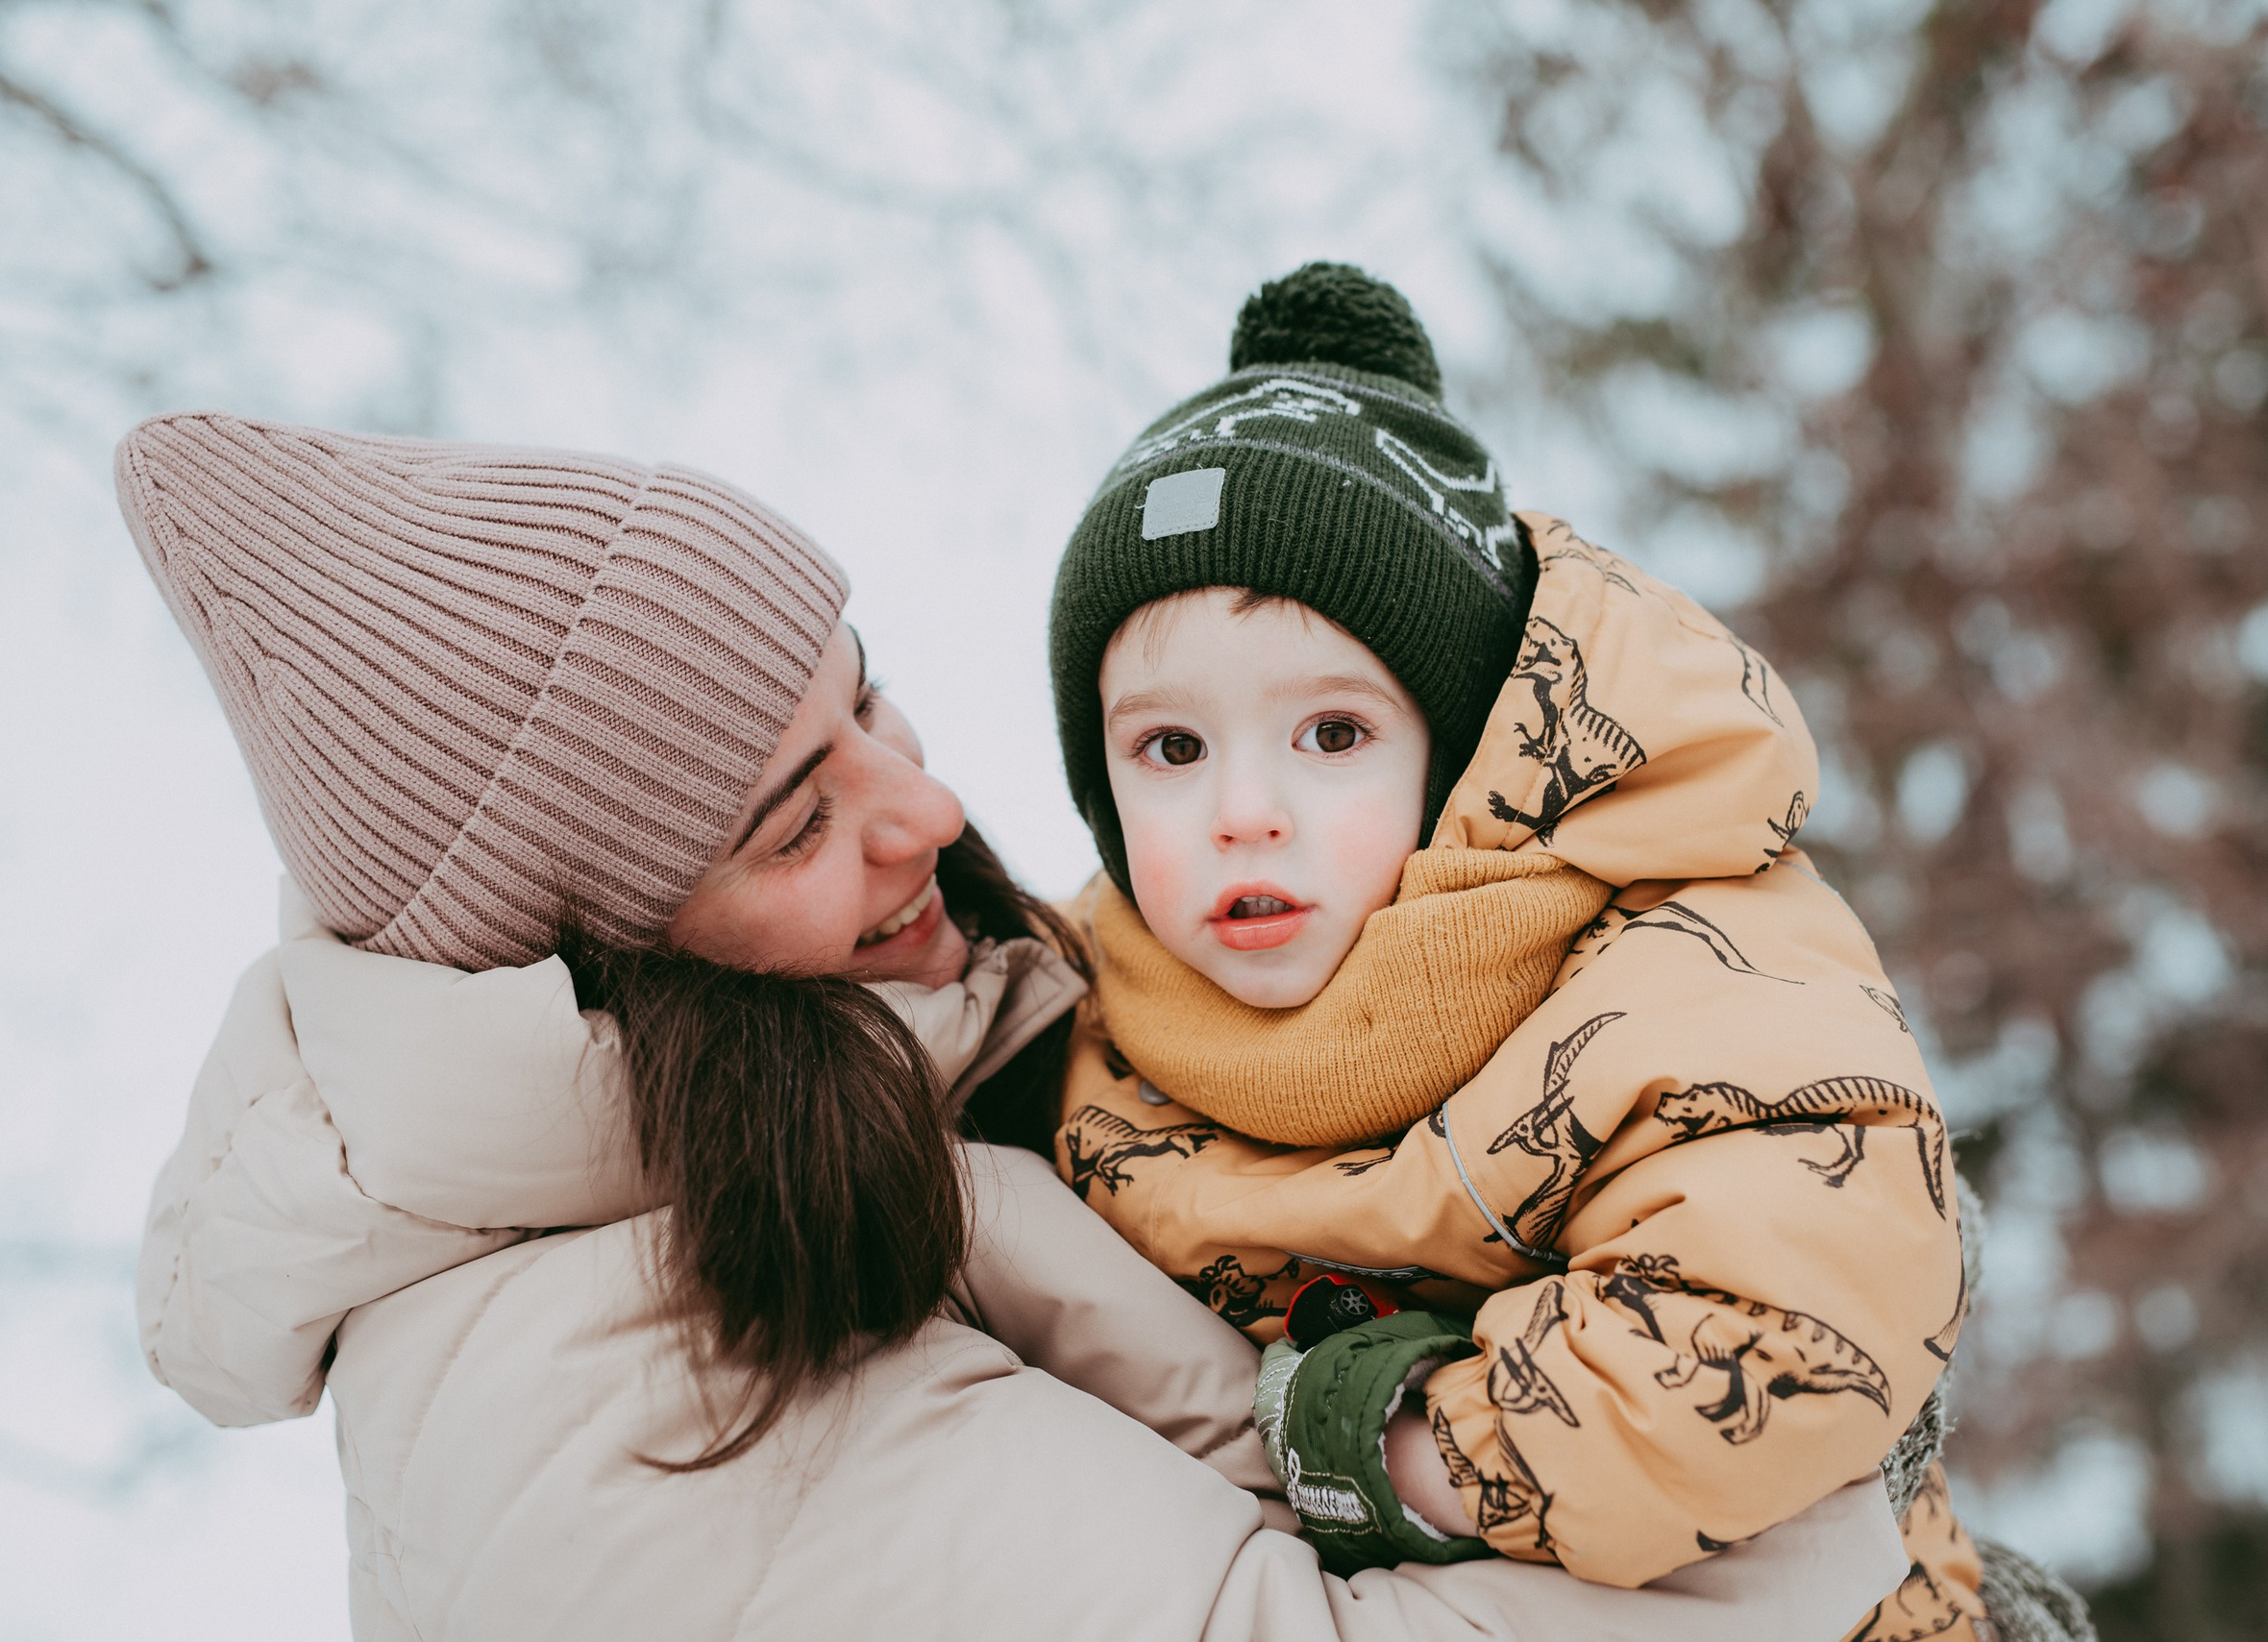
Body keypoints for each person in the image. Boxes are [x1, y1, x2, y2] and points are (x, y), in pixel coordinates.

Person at [120, 411, 1912, 1641]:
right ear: (597, 965)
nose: (921, 806)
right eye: (796, 823)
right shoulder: (614, 1404)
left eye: (867, 698)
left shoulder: (837, 1108)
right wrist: (1824, 1441)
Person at [1045, 265, 2027, 1640]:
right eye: (1171, 748)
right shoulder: (1088, 1029)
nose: (1240, 811)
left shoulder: (1667, 952)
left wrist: (1364, 1448)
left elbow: (1785, 1306)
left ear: (1460, 760)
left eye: (1333, 735)